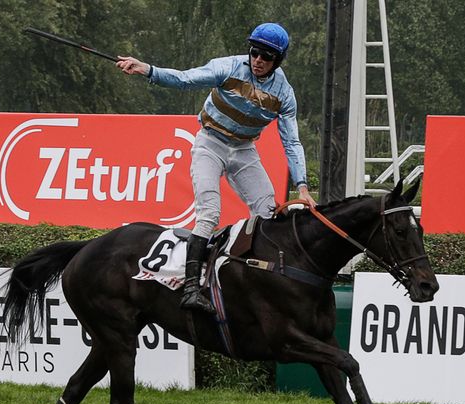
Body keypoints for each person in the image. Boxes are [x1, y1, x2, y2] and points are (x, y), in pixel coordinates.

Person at [116, 23, 316, 315]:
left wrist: (302, 187)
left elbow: (292, 141)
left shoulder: (285, 94)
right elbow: (185, 80)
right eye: (255, 52)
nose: (258, 60)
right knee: (209, 213)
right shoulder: (229, 67)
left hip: (244, 150)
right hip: (210, 143)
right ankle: (191, 289)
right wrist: (147, 69)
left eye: (267, 57)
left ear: (279, 60)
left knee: (266, 212)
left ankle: (256, 283)